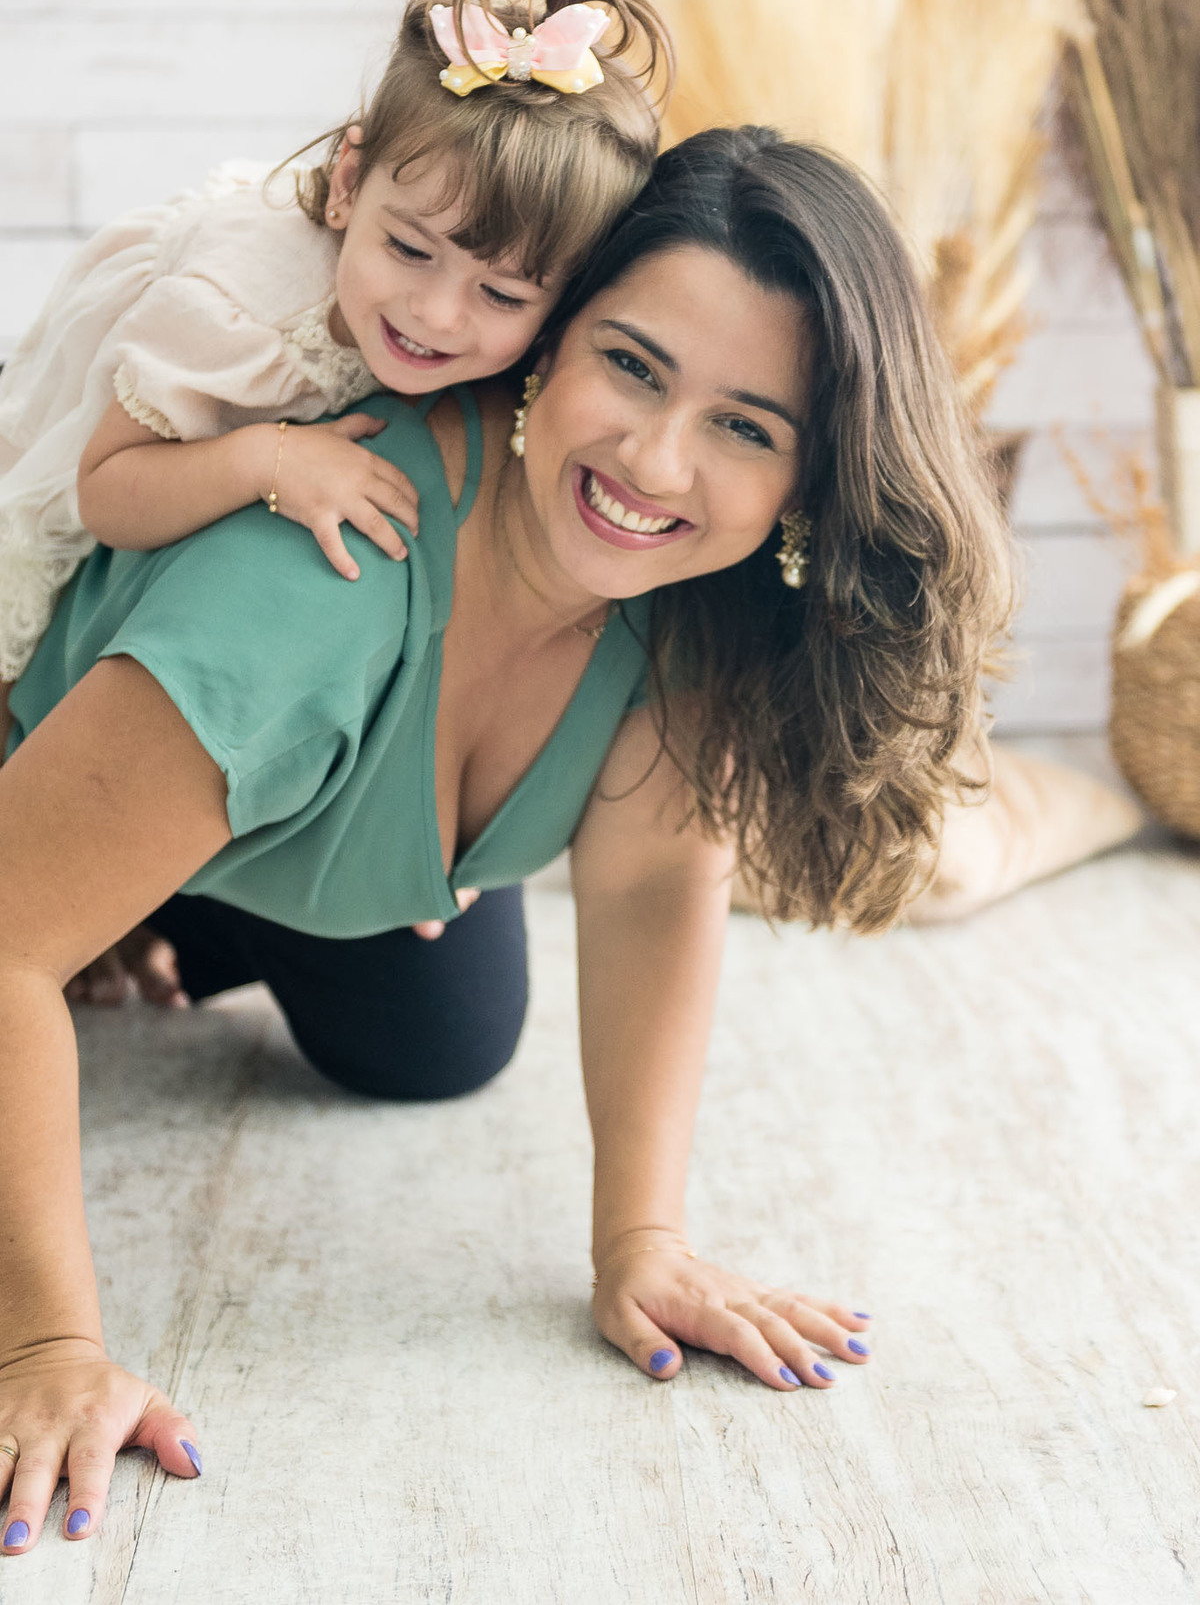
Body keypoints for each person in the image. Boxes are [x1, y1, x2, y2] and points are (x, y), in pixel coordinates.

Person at [0, 126, 1011, 1556]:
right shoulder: (317, 585)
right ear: (549, 341)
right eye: (634, 367)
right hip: (55, 755)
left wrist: (641, 1241)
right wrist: (42, 1349)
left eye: (746, 426)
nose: (654, 461)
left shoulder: (685, 597)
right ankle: (95, 874)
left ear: (809, 480)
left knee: (438, 1038)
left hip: (290, 801)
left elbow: (661, 871)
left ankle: (152, 892)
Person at [0, 0, 669, 750]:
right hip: (61, 464)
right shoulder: (235, 310)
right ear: (348, 183)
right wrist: (271, 460)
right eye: (410, 251)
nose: (438, 314)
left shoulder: (501, 345)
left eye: (501, 293)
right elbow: (103, 488)